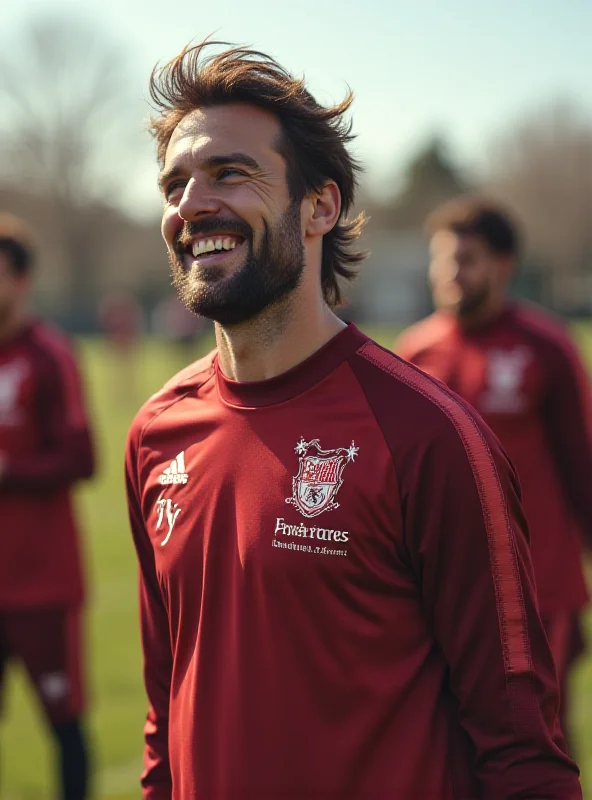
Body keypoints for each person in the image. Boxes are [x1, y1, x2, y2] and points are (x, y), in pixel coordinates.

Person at [125, 42, 582, 799]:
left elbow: (523, 756)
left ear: (321, 206)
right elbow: (162, 718)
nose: (191, 204)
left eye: (230, 173)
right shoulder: (156, 433)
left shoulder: (429, 435)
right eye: (175, 183)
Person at [396, 196, 592, 748]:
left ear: (503, 265)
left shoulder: (546, 348)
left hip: (537, 583)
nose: (449, 275)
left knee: (538, 738)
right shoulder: (416, 351)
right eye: (442, 261)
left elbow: (582, 468)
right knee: (450, 739)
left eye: (465, 260)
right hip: (446, 585)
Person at [0, 214, 94, 799]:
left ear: (22, 281)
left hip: (41, 585)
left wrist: (10, 471)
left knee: (65, 726)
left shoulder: (48, 355)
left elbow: (83, 458)